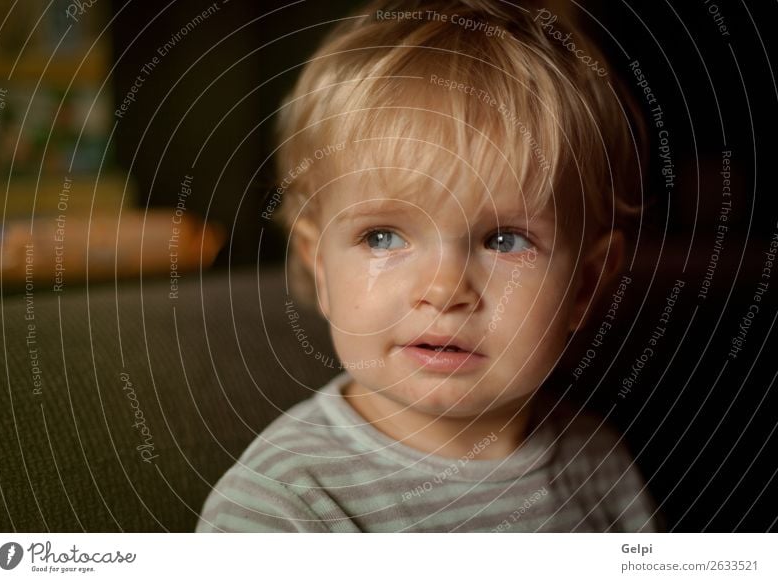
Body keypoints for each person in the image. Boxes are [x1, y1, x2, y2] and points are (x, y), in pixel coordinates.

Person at [197, 0, 661, 532]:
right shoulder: (284, 505)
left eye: (505, 240)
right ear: (319, 266)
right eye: (383, 236)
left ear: (584, 284)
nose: (444, 291)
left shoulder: (599, 463)